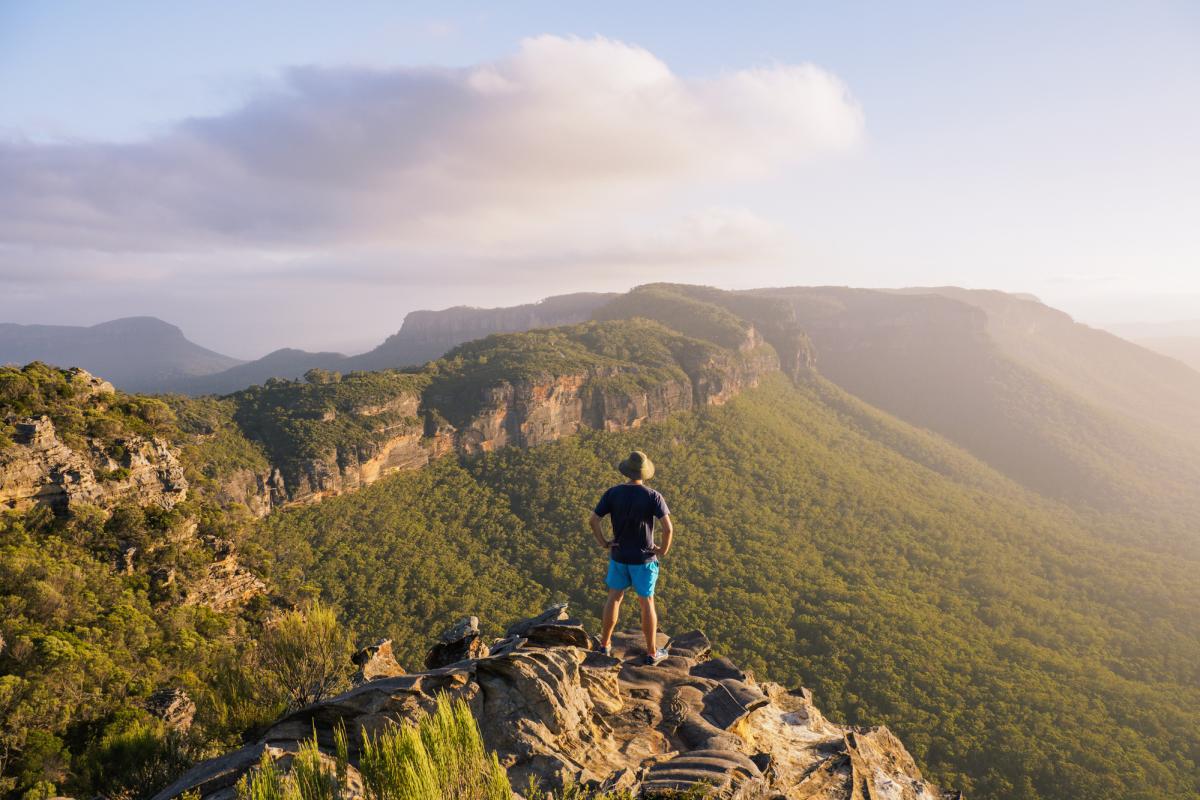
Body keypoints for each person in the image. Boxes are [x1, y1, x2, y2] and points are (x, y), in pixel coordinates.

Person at [588, 450, 674, 665]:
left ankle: (605, 645)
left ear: (627, 470)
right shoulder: (653, 496)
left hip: (619, 556)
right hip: (644, 559)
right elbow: (668, 529)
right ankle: (652, 653)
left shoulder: (613, 493)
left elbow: (593, 520)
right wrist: (662, 550)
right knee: (647, 603)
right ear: (644, 472)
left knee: (614, 598)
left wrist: (605, 543)